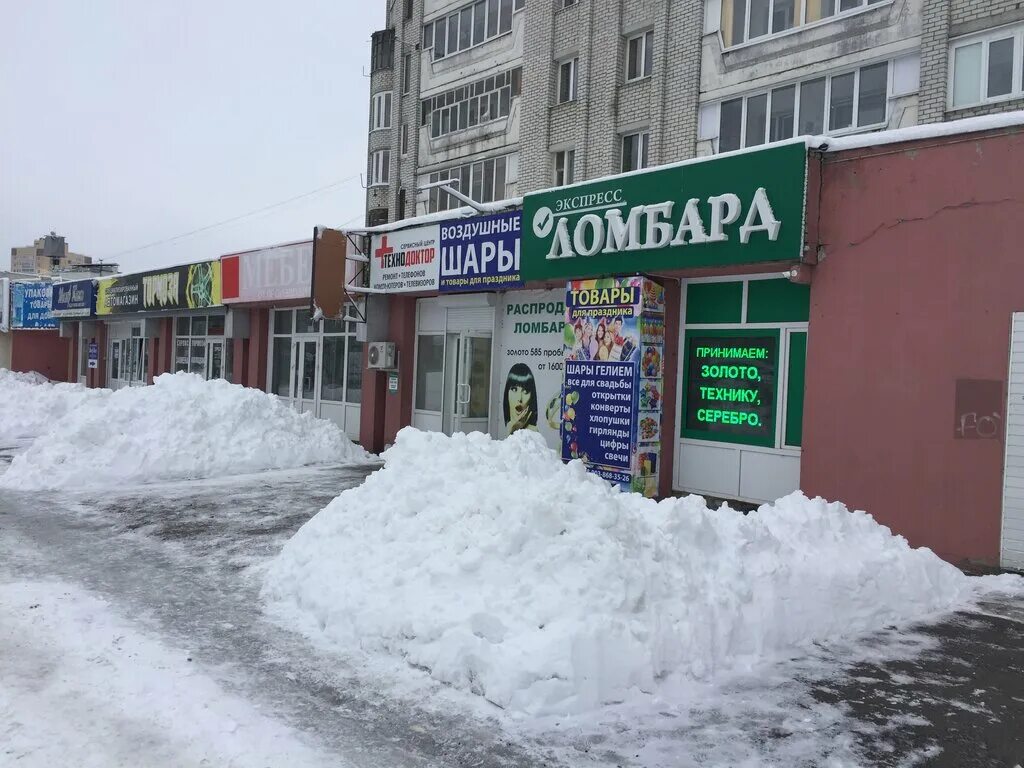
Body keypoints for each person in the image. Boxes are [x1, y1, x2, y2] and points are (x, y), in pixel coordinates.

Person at [504, 362, 539, 435]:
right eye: (514, 389)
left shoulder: (533, 433)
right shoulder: (508, 427)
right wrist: (510, 429)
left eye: (525, 391)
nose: (519, 398)